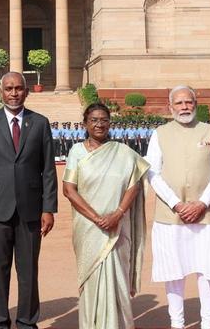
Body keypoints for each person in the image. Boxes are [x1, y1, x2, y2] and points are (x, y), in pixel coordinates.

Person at [0, 71, 58, 329]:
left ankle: (27, 322)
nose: (14, 93)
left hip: (31, 209)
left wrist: (48, 208)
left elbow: (48, 169)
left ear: (26, 91)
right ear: (0, 92)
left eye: (19, 88)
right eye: (8, 88)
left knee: (28, 271)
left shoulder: (40, 123)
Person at [146, 86, 210, 329]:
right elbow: (152, 172)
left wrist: (202, 203)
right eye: (179, 103)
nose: (184, 107)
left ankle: (208, 323)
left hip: (207, 213)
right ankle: (177, 323)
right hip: (171, 214)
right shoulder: (159, 134)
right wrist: (177, 204)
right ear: (170, 107)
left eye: (188, 102)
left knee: (208, 269)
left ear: (196, 104)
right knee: (174, 270)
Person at [62, 102, 148, 329]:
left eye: (104, 120)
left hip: (118, 226)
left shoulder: (124, 153)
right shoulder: (76, 152)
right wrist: (96, 217)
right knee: (90, 279)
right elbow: (69, 189)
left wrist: (117, 214)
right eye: (94, 120)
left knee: (118, 275)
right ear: (85, 124)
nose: (99, 124)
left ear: (110, 123)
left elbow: (134, 186)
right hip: (88, 228)